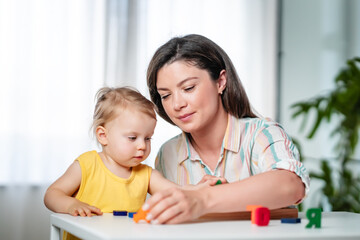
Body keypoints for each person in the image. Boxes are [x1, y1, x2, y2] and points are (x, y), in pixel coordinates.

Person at [143, 34, 310, 224]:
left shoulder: (261, 134)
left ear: (220, 82)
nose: (177, 104)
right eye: (165, 95)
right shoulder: (168, 153)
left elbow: (290, 185)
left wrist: (202, 199)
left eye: (188, 88)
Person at [44, 87, 191, 238]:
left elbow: (176, 194)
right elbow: (52, 194)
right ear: (103, 136)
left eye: (148, 138)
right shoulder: (87, 164)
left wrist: (201, 190)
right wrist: (71, 205)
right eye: (132, 138)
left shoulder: (146, 174)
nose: (142, 146)